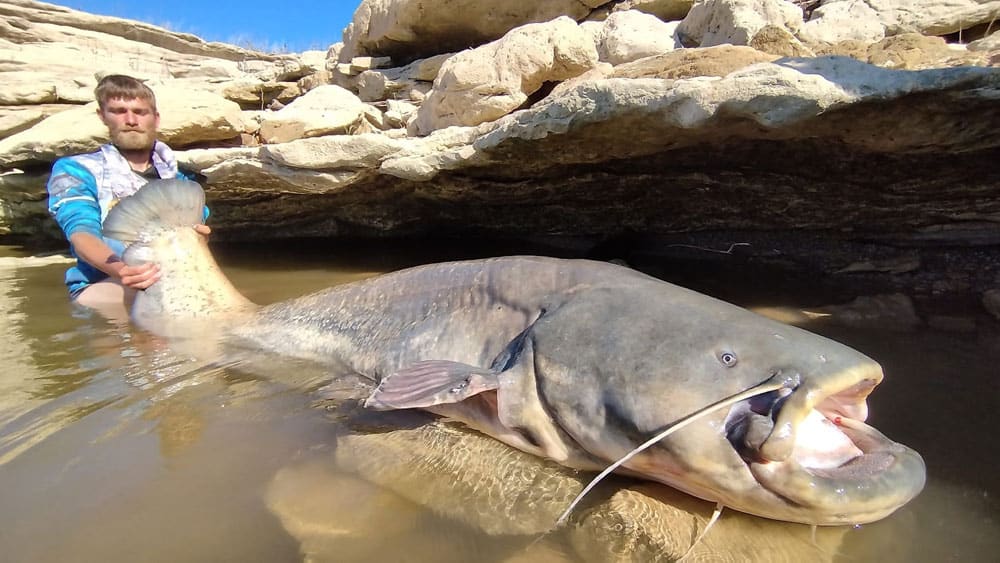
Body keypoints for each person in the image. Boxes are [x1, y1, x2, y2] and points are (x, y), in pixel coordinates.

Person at [46, 74, 209, 316]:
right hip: (105, 285)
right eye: (119, 111)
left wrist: (202, 239)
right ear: (103, 116)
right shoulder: (76, 170)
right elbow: (81, 234)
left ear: (156, 118)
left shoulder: (182, 181)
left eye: (140, 112)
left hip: (174, 282)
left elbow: (195, 241)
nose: (131, 120)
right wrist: (122, 270)